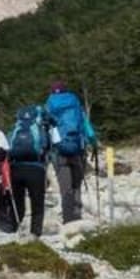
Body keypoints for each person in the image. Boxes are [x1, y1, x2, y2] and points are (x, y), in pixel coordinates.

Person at [46, 81, 101, 224]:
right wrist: (93, 141)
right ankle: (77, 215)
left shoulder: (49, 105)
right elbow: (86, 125)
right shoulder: (75, 104)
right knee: (77, 184)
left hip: (59, 152)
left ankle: (68, 219)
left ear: (52, 92)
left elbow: (46, 129)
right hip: (78, 149)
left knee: (66, 188)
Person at [5, 100, 54, 238]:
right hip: (36, 168)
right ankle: (35, 233)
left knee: (17, 201)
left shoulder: (17, 128)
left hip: (16, 168)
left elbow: (8, 148)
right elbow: (47, 147)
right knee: (37, 203)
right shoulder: (40, 128)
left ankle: (13, 230)